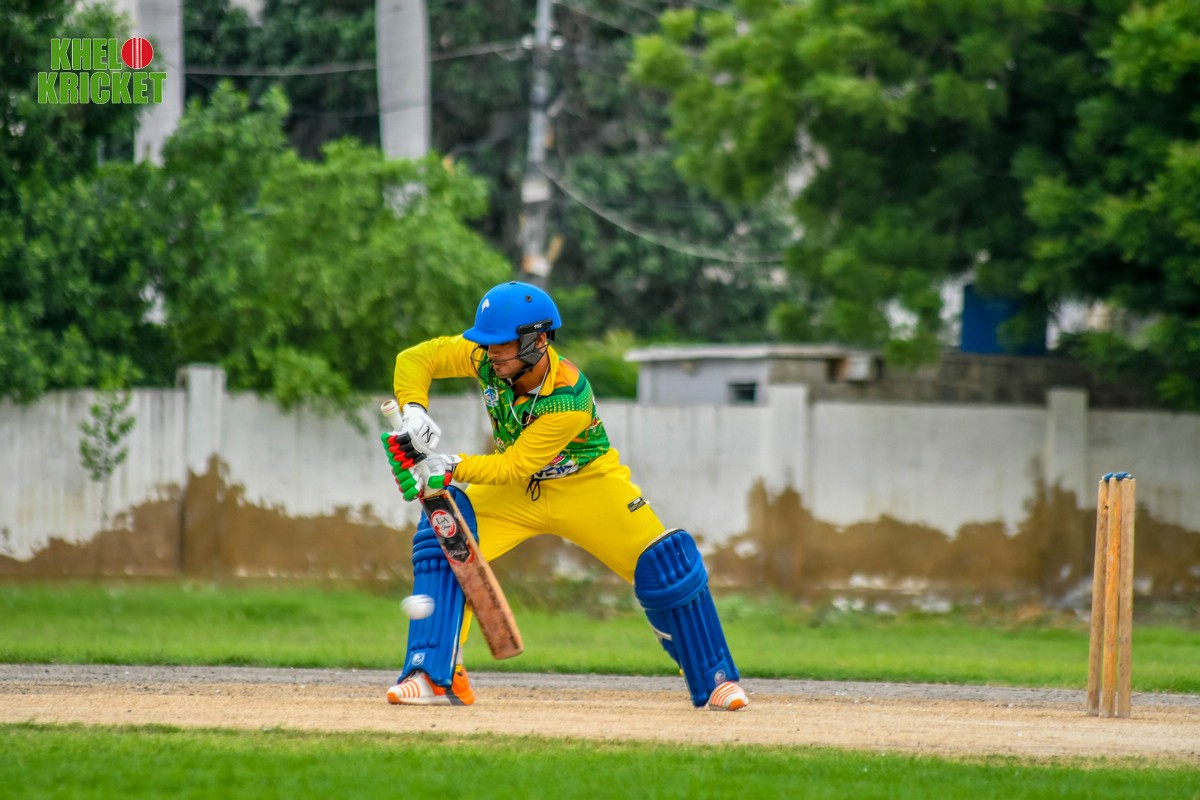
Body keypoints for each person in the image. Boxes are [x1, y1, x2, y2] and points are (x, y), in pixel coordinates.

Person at [380, 280, 747, 711]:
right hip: (518, 494)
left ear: (537, 341)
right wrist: (414, 411)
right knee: (446, 538)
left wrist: (449, 465)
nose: (491, 352)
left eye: (502, 344)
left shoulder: (567, 397)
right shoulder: (485, 356)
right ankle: (435, 675)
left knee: (666, 568)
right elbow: (414, 359)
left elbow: (514, 465)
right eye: (488, 343)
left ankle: (714, 678)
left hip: (587, 484)